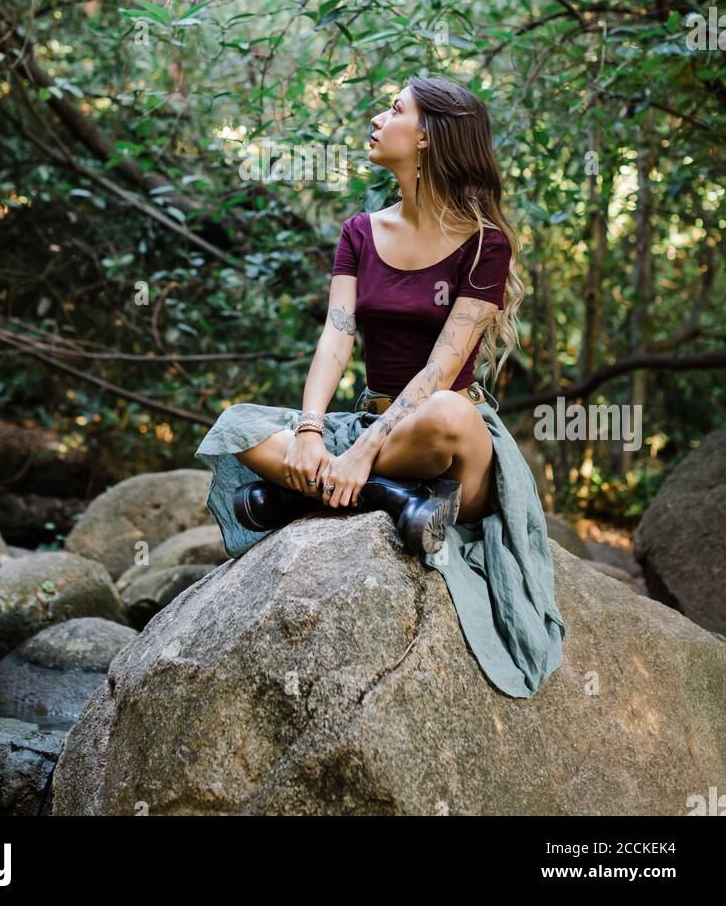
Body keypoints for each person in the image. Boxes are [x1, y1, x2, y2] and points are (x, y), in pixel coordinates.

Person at [194, 75, 566, 697]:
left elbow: (443, 368)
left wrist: (361, 454)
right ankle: (393, 499)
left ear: (428, 137)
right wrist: (312, 430)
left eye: (395, 109)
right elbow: (337, 337)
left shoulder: (485, 244)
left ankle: (308, 494)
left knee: (448, 412)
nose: (376, 118)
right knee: (239, 427)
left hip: (446, 442)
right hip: (368, 427)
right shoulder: (360, 232)